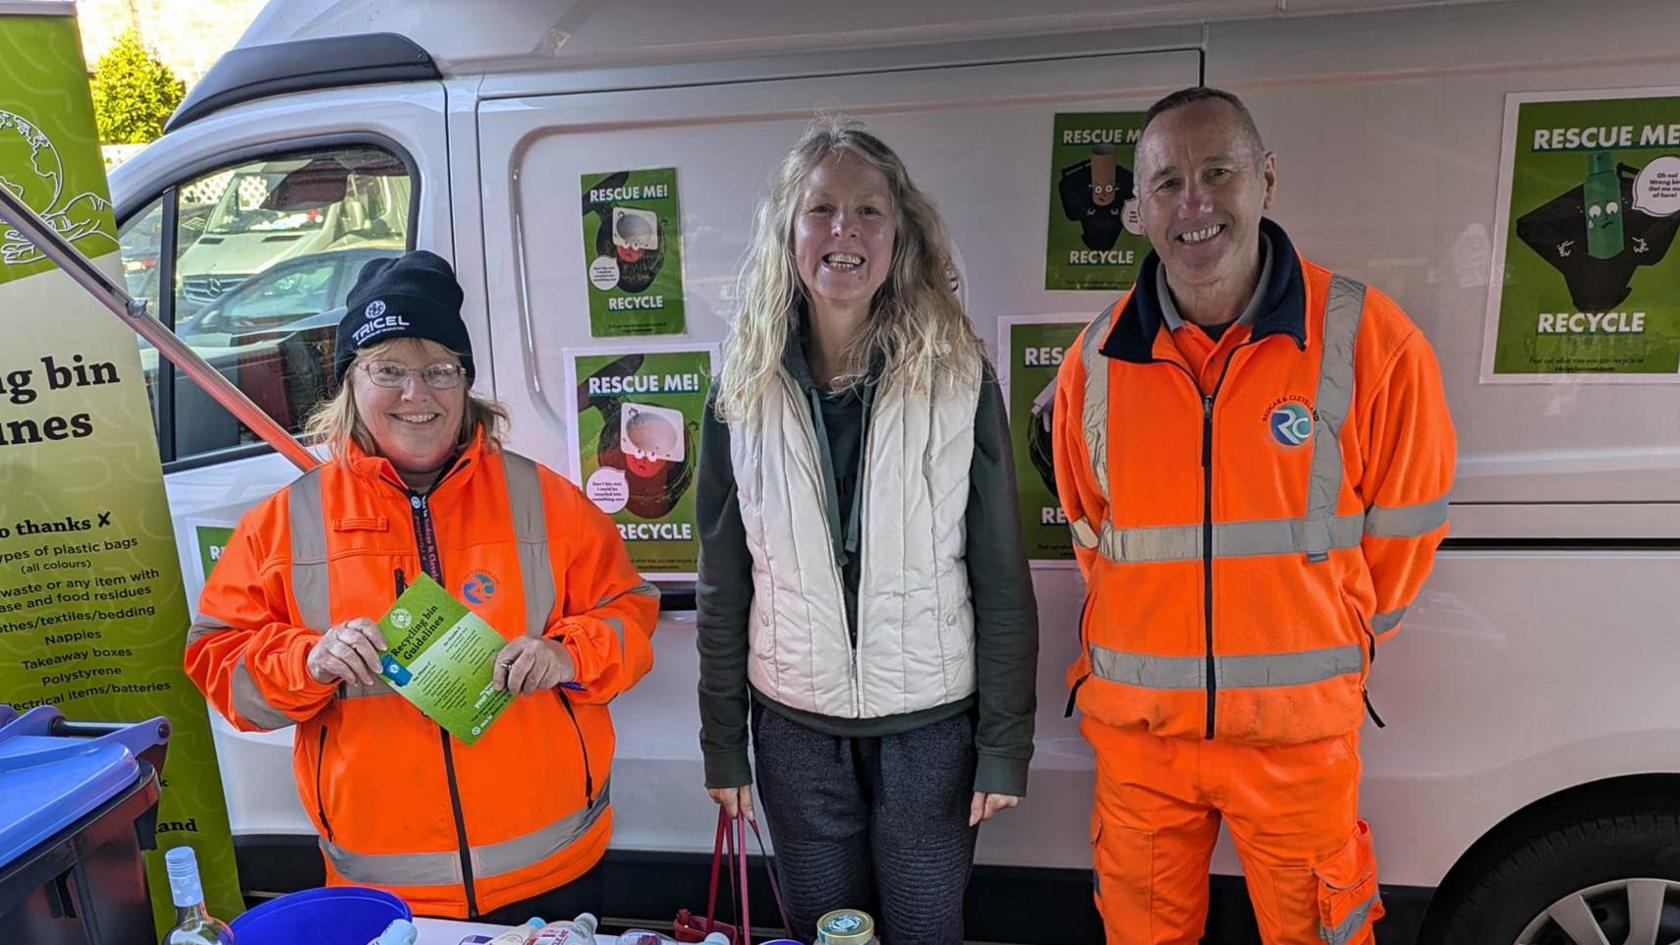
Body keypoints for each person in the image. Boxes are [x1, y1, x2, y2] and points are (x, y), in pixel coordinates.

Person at [1052, 88, 1455, 945]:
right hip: (1141, 740)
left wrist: (1322, 639)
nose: (1194, 205)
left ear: (1266, 179)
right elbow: (1093, 536)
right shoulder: (1096, 359)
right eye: (1166, 184)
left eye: (1218, 172)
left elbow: (1405, 534)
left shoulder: (1369, 341)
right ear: (1135, 210)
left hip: (1296, 741)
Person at [183, 250, 659, 919]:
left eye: (440, 369)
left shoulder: (545, 500)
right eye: (389, 370)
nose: (417, 394)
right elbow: (219, 660)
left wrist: (569, 654)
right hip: (382, 889)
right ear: (350, 378)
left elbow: (628, 613)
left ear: (466, 380)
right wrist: (308, 659)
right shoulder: (285, 523)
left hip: (552, 867)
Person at [696, 116, 1039, 945]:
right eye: (820, 209)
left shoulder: (958, 376)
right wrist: (723, 744)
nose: (842, 230)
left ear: (900, 234)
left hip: (931, 732)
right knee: (825, 935)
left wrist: (1004, 743)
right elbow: (724, 580)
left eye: (868, 211)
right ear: (789, 230)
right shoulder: (740, 386)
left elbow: (1000, 573)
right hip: (794, 733)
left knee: (925, 931)